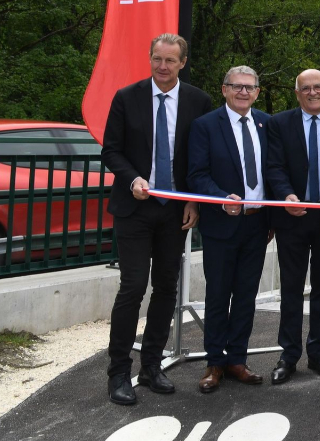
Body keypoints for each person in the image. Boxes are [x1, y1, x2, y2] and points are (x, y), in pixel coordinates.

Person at [102, 33, 213, 406]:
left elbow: (200, 160)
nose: (162, 67)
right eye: (157, 59)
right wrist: (132, 177)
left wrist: (195, 203)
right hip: (134, 207)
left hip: (174, 210)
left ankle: (151, 365)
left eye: (170, 60)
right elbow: (111, 151)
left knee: (166, 288)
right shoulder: (126, 98)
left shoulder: (199, 101)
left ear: (183, 63)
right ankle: (119, 372)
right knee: (132, 287)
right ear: (149, 59)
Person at [186, 65, 272, 394]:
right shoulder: (206, 126)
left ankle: (237, 358)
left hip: (257, 224)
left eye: (249, 87)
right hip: (221, 223)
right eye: (236, 86)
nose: (243, 92)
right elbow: (197, 174)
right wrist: (221, 198)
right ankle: (214, 362)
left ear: (257, 92)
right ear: (224, 89)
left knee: (247, 295)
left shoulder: (267, 124)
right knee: (219, 294)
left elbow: (274, 170)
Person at [264, 69, 320, 385]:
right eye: (305, 88)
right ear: (297, 93)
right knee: (292, 288)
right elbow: (274, 166)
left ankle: (318, 351)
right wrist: (285, 195)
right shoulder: (279, 123)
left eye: (317, 87)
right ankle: (289, 354)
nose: (312, 93)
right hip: (291, 216)